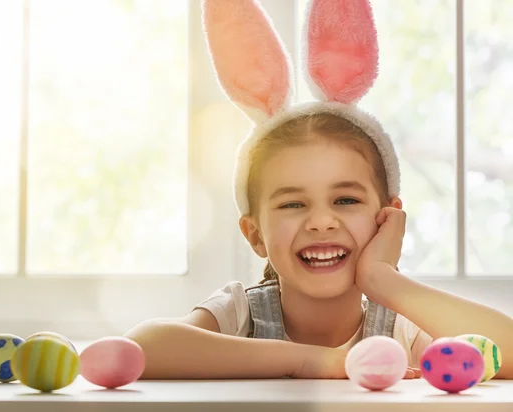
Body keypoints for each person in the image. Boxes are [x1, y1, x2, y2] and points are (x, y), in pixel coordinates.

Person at [124, 0, 513, 380]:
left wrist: (382, 278)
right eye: (293, 203)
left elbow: (506, 354)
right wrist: (311, 361)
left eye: (346, 200)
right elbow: (143, 347)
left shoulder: (404, 327)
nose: (322, 221)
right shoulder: (240, 312)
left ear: (387, 218)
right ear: (255, 234)